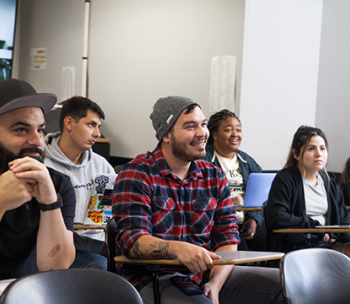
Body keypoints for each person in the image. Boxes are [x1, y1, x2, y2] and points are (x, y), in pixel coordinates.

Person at [112, 96, 283, 304]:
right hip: (153, 279)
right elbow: (134, 241)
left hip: (207, 275)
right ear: (166, 135)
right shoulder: (137, 173)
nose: (202, 133)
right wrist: (178, 248)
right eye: (190, 127)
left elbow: (227, 240)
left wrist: (215, 285)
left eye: (203, 124)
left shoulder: (214, 176)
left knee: (288, 285)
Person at [0, 78, 76, 279]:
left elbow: (56, 268)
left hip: (22, 291)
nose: (37, 141)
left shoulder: (58, 184)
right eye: (21, 130)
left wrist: (50, 202)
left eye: (40, 130)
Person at [44, 96, 115, 269]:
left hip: (97, 241)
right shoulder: (43, 164)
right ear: (69, 123)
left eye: (98, 127)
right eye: (91, 125)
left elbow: (111, 211)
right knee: (101, 265)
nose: (97, 133)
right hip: (59, 244)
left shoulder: (102, 165)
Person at [265, 125, 350, 256]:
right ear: (296, 154)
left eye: (322, 148)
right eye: (311, 149)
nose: (319, 154)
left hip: (328, 244)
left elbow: (345, 220)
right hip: (299, 246)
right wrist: (315, 227)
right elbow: (277, 217)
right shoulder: (285, 179)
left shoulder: (328, 183)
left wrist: (333, 233)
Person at [203, 109, 265, 251]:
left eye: (238, 130)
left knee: (271, 249)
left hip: (247, 221)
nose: (235, 134)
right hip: (221, 223)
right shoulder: (203, 160)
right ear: (215, 135)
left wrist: (254, 220)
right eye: (228, 130)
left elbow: (261, 198)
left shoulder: (248, 162)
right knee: (243, 255)